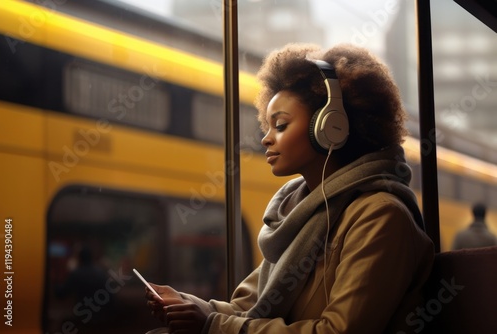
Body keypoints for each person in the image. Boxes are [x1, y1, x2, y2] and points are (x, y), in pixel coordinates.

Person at [144, 43, 435, 334]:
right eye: (267, 127)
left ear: (330, 126)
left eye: (280, 126)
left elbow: (337, 331)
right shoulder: (299, 215)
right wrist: (188, 305)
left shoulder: (381, 216)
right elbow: (247, 308)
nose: (266, 140)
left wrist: (210, 323)